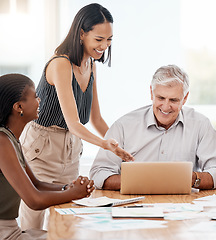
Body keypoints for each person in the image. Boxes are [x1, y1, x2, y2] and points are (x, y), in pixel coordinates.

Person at [19, 3, 133, 231]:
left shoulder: (91, 64)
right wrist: (105, 145)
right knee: (33, 225)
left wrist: (122, 148)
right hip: (42, 150)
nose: (104, 46)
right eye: (99, 39)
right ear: (82, 33)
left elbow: (97, 118)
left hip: (71, 152)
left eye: (109, 39)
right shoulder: (60, 64)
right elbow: (73, 122)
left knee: (65, 224)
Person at [90, 64, 216, 190]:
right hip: (136, 204)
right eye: (161, 98)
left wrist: (192, 178)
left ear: (185, 98)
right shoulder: (124, 126)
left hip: (183, 207)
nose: (166, 107)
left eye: (173, 100)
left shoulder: (200, 124)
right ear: (151, 93)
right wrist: (139, 182)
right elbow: (99, 173)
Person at [0, 73, 95, 239]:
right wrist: (74, 193)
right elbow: (34, 200)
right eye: (35, 96)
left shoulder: (11, 139)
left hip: (10, 230)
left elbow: (36, 184)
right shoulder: (2, 142)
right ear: (19, 107)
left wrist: (69, 187)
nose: (40, 100)